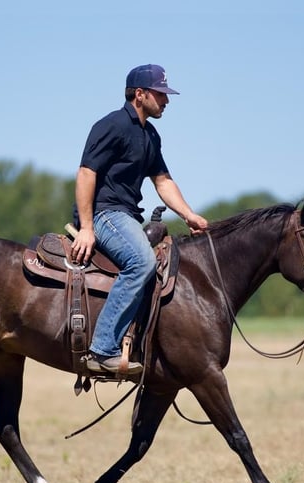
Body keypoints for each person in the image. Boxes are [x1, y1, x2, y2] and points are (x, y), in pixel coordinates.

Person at [70, 64, 209, 375]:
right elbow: (85, 173)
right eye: (160, 95)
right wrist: (87, 227)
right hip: (106, 213)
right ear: (140, 94)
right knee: (141, 262)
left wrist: (188, 214)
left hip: (129, 216)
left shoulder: (150, 135)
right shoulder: (112, 125)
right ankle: (102, 349)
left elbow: (162, 181)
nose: (166, 101)